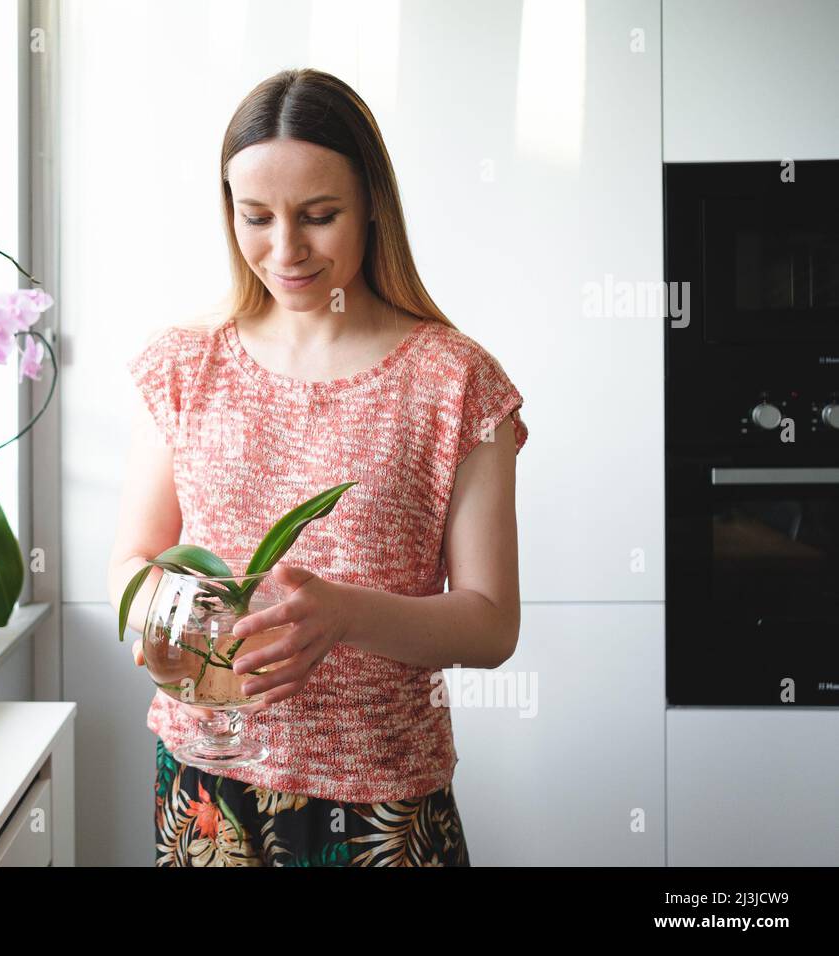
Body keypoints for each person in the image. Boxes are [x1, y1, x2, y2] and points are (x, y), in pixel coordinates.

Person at [107, 67, 529, 867]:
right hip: (204, 785)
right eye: (255, 216)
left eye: (319, 216)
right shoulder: (181, 366)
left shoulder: (456, 381)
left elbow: (491, 623)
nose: (285, 249)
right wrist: (164, 615)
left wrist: (343, 614)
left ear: (372, 200)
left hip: (382, 796)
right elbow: (131, 563)